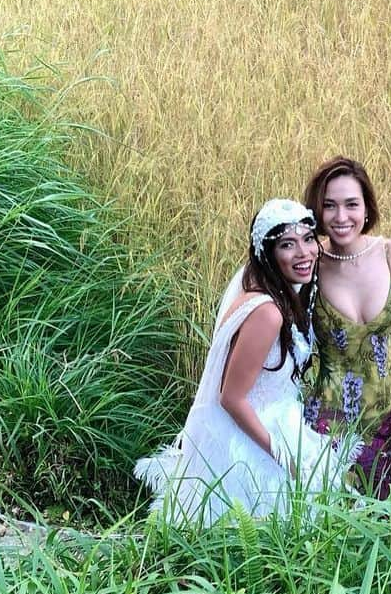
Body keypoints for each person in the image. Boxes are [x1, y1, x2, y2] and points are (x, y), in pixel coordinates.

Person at [134, 198, 348, 525]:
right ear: (268, 254)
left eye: (308, 239)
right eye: (288, 245)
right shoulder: (267, 312)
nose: (304, 253)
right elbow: (231, 397)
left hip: (278, 418)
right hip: (252, 435)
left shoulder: (265, 291)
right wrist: (280, 452)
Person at [302, 157, 391, 499]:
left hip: (390, 417)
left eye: (351, 204)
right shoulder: (308, 262)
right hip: (328, 424)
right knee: (335, 528)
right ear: (317, 212)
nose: (341, 216)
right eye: (329, 206)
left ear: (367, 208)